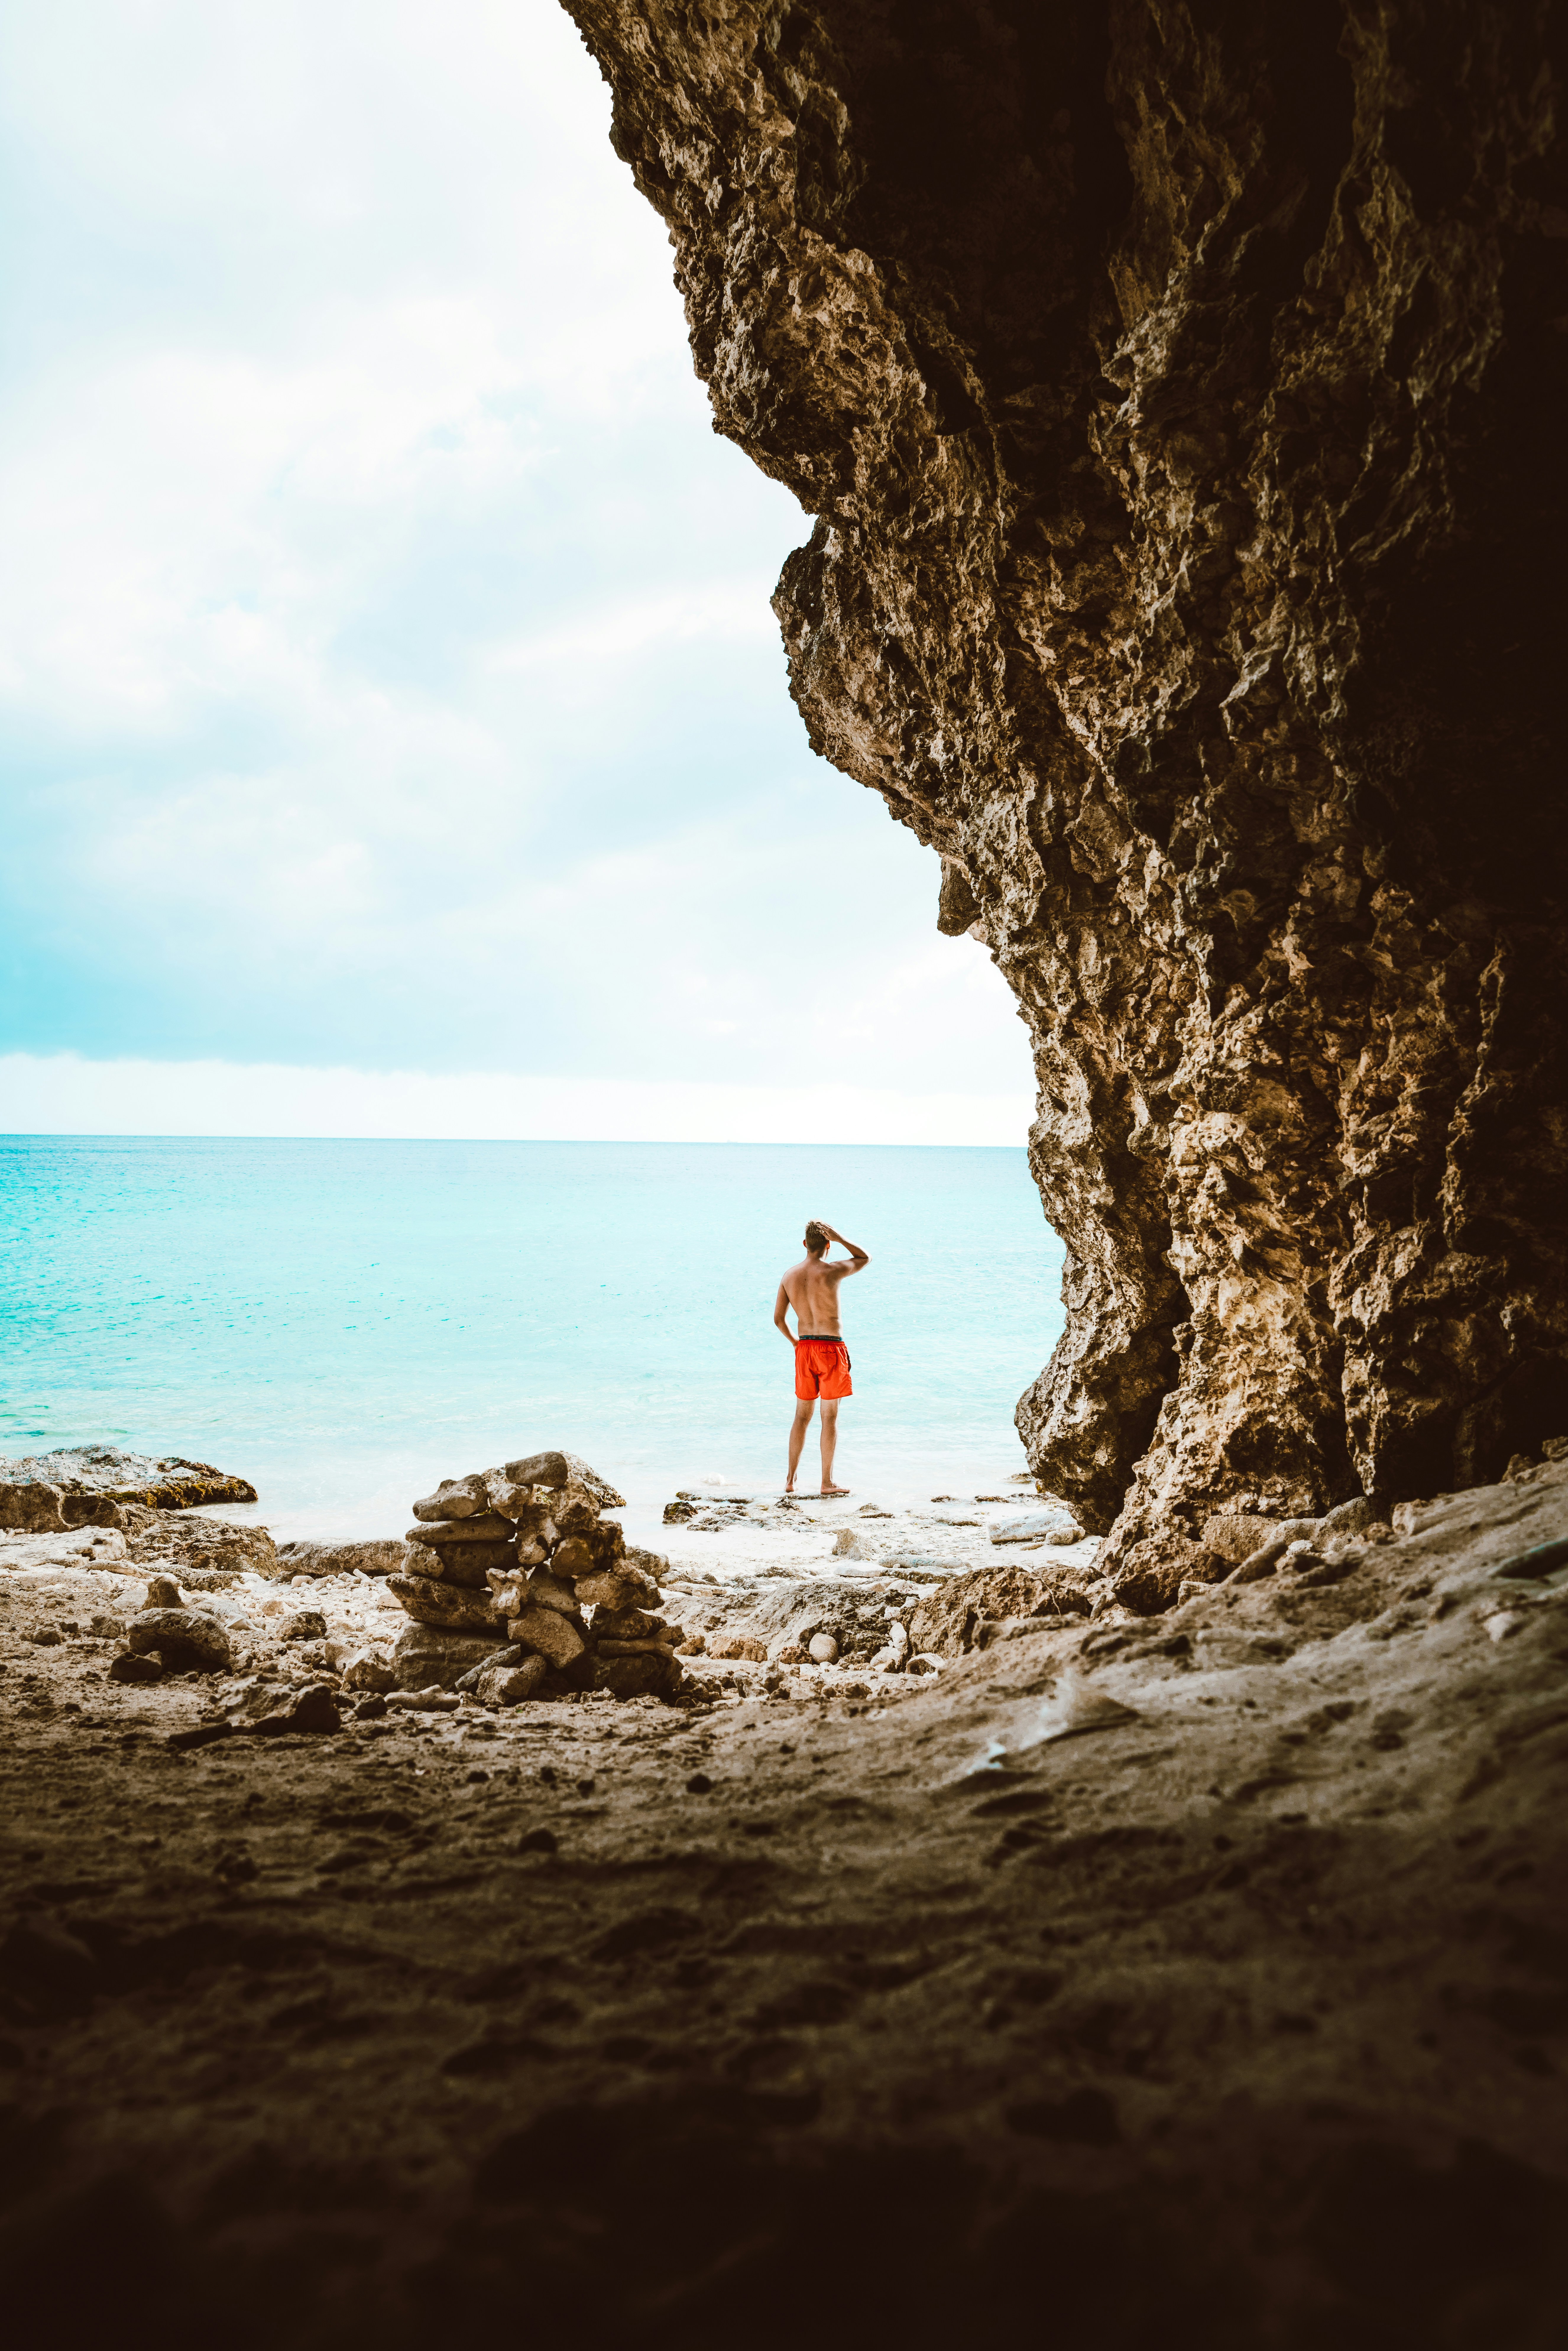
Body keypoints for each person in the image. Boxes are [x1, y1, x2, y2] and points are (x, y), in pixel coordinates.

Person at [773, 1218, 870, 1495]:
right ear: (828, 1245)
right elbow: (865, 1257)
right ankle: (827, 1483)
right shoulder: (833, 1271)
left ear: (805, 1245)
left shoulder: (789, 1276)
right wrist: (841, 1238)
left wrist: (795, 1344)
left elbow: (779, 1320)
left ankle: (791, 1480)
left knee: (801, 1417)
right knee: (829, 1418)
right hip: (831, 1348)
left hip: (804, 1348)